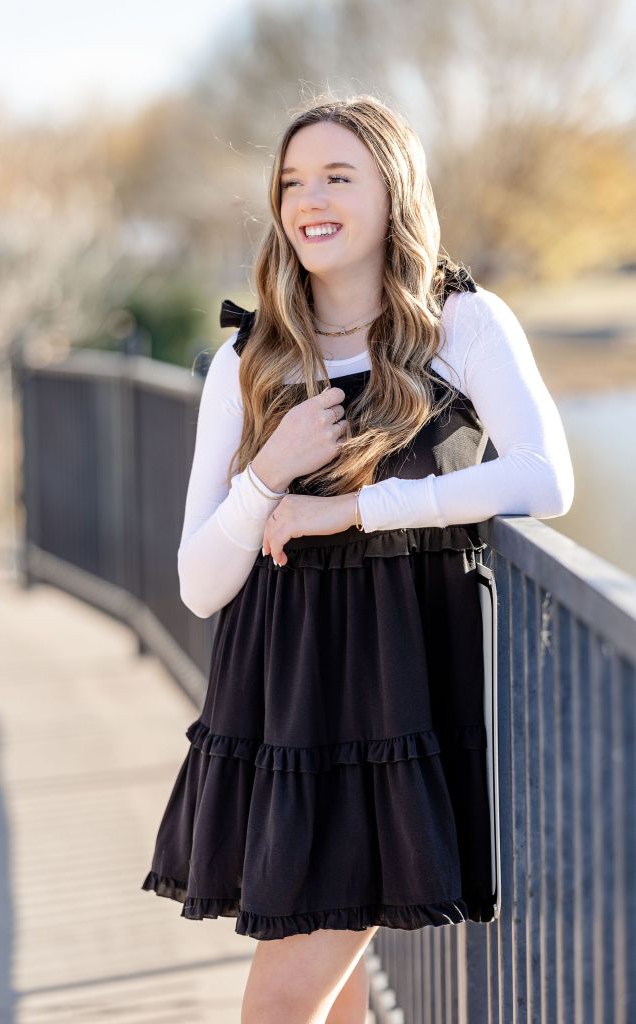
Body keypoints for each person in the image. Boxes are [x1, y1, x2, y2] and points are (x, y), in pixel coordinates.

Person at [142, 93, 574, 1024]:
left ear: (392, 191)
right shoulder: (248, 358)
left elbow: (544, 481)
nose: (310, 199)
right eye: (293, 181)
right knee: (317, 1000)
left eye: (339, 176)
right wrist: (266, 473)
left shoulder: (459, 324)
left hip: (404, 695)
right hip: (287, 704)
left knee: (287, 1001)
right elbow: (199, 582)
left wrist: (358, 511)